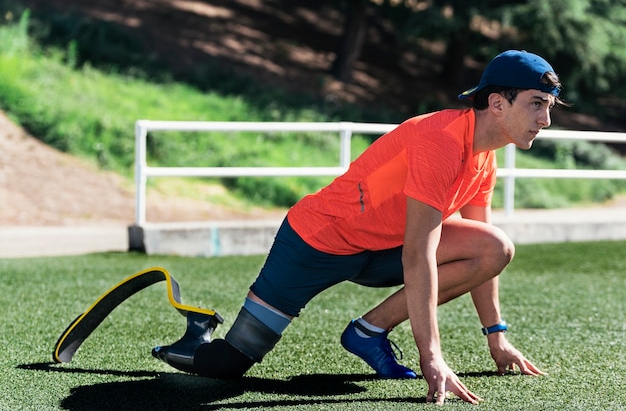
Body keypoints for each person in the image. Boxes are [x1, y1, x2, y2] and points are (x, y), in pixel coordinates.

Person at [153, 50, 565, 405]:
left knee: (494, 248)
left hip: (381, 253)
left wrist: (497, 336)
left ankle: (368, 332)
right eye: (536, 104)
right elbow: (419, 254)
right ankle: (197, 331)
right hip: (315, 243)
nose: (545, 119)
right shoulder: (439, 141)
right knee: (228, 366)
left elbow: (480, 251)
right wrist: (432, 357)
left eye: (548, 105)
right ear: (496, 103)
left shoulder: (484, 157)